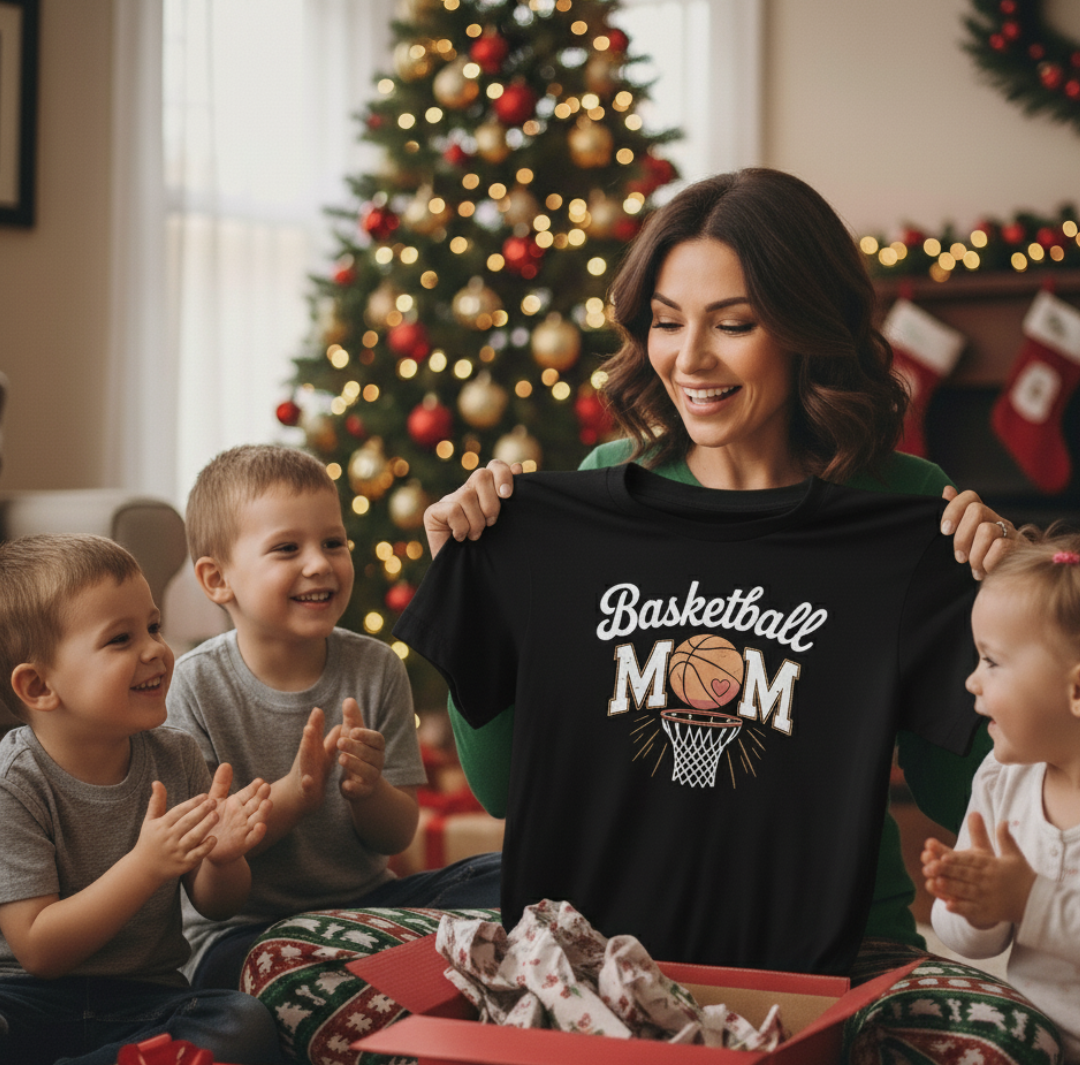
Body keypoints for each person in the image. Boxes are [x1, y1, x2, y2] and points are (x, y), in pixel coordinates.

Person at [403, 169, 1063, 1064]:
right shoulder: (590, 495)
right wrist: (487, 580)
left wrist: (1015, 623)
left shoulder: (910, 509)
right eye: (668, 320)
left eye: (735, 323)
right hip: (603, 956)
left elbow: (976, 800)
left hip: (830, 955)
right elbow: (503, 790)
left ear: (806, 330)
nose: (690, 358)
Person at [167, 444, 501, 991]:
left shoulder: (374, 667)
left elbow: (395, 837)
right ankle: (410, 964)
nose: (319, 563)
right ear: (217, 580)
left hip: (366, 904)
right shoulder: (197, 684)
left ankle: (395, 958)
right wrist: (298, 793)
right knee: (288, 968)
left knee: (502, 877)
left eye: (332, 542)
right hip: (246, 933)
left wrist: (368, 791)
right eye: (286, 548)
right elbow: (211, 891)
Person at [0, 533, 283, 1065]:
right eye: (120, 639)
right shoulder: (13, 783)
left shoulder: (176, 755)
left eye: (152, 627)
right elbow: (38, 949)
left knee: (242, 1022)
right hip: (27, 999)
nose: (155, 649)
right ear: (39, 687)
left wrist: (222, 857)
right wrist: (146, 865)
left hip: (147, 1000)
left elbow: (217, 903)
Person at [923, 528, 1080, 1063]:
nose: (972, 681)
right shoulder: (999, 778)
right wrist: (973, 905)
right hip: (1033, 1038)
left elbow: (1029, 904)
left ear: (1077, 690)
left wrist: (1027, 899)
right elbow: (975, 945)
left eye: (991, 661)